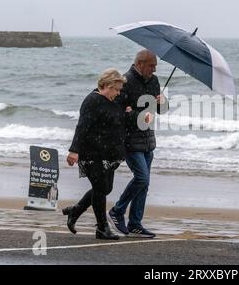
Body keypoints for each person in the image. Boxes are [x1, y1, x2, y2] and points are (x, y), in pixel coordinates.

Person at [108, 49, 168, 238]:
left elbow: (160, 111)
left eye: (156, 66)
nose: (154, 70)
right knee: (141, 178)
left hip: (148, 140)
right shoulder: (125, 81)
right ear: (140, 63)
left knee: (145, 183)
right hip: (130, 140)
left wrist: (163, 102)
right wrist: (136, 114)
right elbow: (118, 113)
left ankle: (135, 223)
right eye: (152, 66)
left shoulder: (154, 81)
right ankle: (117, 211)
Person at [62, 68, 127, 240]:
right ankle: (102, 228)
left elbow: (117, 120)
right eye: (116, 89)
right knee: (100, 189)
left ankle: (76, 210)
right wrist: (74, 150)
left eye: (120, 90)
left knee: (106, 188)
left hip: (108, 153)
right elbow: (82, 126)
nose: (119, 93)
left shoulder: (112, 100)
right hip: (90, 152)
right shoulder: (92, 100)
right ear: (106, 85)